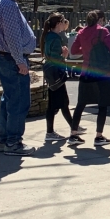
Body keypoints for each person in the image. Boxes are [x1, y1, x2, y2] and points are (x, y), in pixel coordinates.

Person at [0, 0, 38, 156]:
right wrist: (20, 60)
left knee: (8, 100)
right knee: (18, 101)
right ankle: (13, 142)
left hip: (7, 58)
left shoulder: (4, 4)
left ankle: (3, 141)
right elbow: (12, 37)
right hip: (12, 59)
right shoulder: (8, 6)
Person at [70, 10, 110, 146]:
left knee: (81, 104)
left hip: (86, 72)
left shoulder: (81, 32)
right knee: (102, 105)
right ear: (99, 20)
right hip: (102, 73)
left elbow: (73, 51)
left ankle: (73, 134)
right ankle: (99, 136)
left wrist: (85, 52)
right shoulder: (103, 31)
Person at [41, 12, 82, 145]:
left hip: (51, 73)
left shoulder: (48, 36)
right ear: (58, 23)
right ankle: (73, 130)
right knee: (62, 103)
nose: (64, 24)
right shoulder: (55, 38)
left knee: (56, 104)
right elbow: (55, 58)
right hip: (56, 72)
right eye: (63, 21)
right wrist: (64, 55)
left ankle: (69, 129)